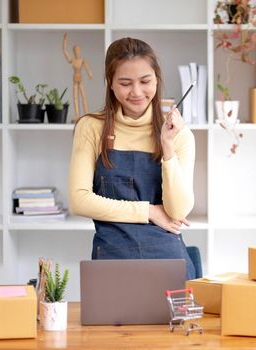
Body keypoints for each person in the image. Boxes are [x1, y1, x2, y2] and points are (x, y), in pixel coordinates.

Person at [68, 37, 196, 280]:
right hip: (112, 262)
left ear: (157, 79)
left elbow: (178, 210)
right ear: (111, 85)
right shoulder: (91, 128)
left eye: (145, 81)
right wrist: (148, 211)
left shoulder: (179, 135)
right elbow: (79, 200)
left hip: (169, 262)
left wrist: (167, 146)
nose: (136, 92)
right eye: (125, 83)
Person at [63, 33, 93, 122]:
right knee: (75, 97)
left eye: (78, 50)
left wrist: (90, 74)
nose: (77, 52)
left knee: (83, 96)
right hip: (75, 78)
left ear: (79, 51)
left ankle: (87, 112)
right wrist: (64, 41)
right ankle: (77, 114)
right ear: (74, 52)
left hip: (80, 78)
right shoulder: (73, 60)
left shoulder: (82, 60)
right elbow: (65, 51)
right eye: (75, 51)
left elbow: (87, 68)